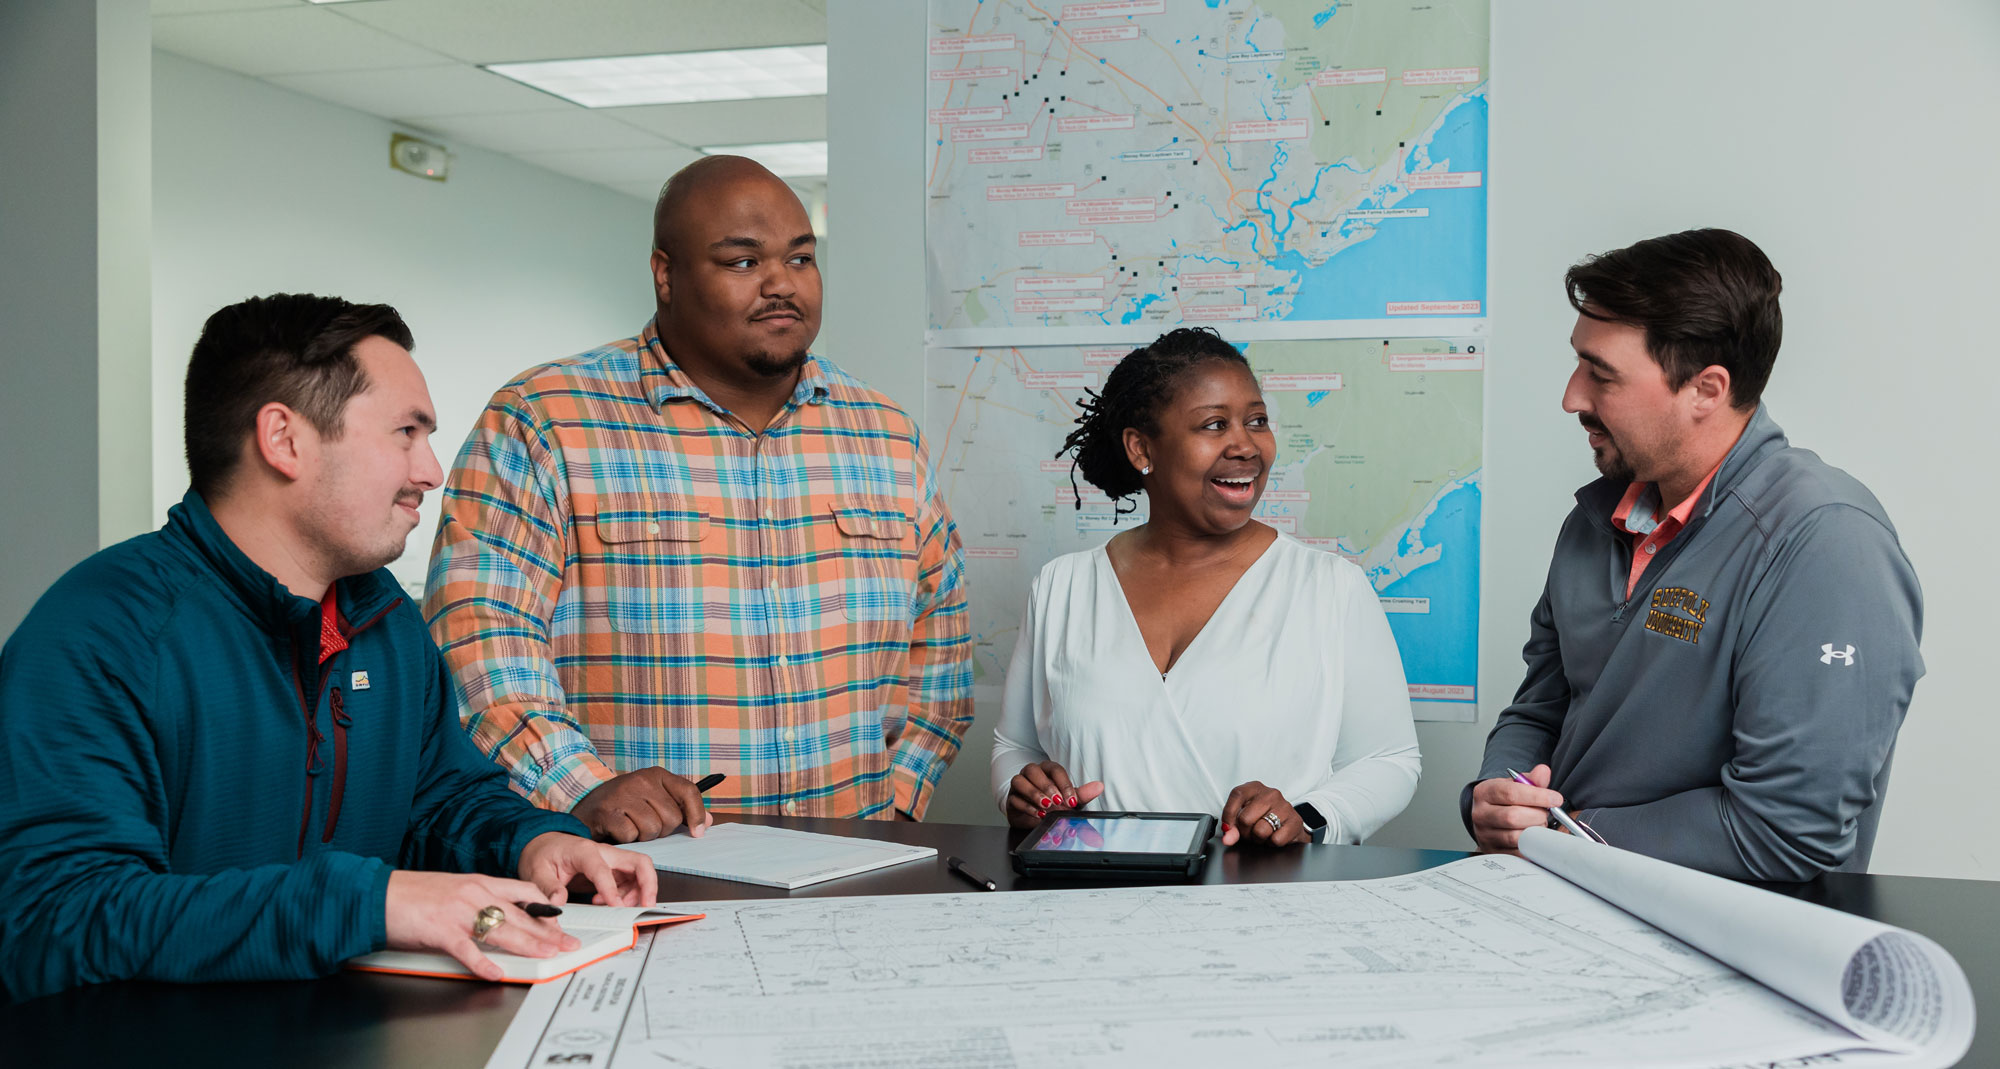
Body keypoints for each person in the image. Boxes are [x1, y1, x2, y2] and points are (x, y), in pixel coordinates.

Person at [0, 295, 656, 1003]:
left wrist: (530, 841)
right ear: (284, 439)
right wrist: (368, 903)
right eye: (406, 432)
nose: (430, 471)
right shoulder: (99, 633)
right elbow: (54, 918)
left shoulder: (387, 622)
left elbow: (441, 801)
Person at [425, 156, 971, 841]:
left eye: (800, 258)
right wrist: (583, 788)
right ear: (665, 275)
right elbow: (478, 639)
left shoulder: (885, 436)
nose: (780, 283)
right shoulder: (545, 421)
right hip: (638, 874)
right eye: (742, 262)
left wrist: (893, 804)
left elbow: (940, 640)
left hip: (851, 863)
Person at [1463, 229, 1924, 881]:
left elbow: (1785, 831)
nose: (1572, 397)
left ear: (1707, 389)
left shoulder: (1828, 544)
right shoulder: (1590, 523)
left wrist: (1562, 838)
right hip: (1562, 915)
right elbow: (1542, 708)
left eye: (1602, 375)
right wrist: (1497, 798)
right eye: (1578, 363)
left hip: (1719, 956)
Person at [989, 327, 1421, 846]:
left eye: (1257, 421)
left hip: (1265, 903)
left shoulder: (1331, 589)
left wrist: (1306, 817)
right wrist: (1023, 791)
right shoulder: (1062, 588)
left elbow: (1389, 760)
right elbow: (1013, 745)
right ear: (1141, 447)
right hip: (1089, 900)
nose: (1245, 444)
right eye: (1214, 425)